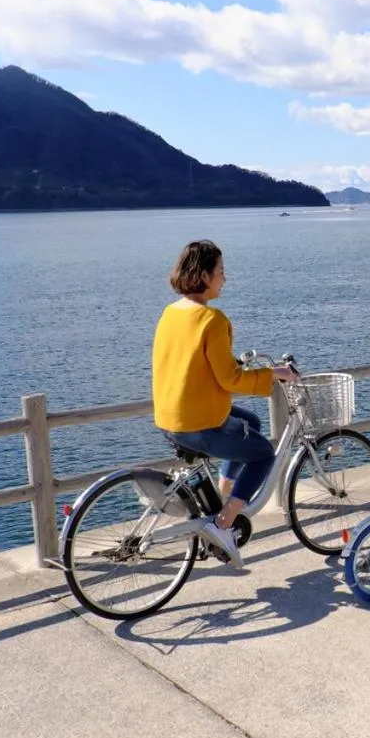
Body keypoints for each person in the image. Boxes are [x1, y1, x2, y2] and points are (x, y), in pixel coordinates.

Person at [151, 239, 297, 570]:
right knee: (263, 455)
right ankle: (224, 522)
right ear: (203, 275)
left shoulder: (172, 312)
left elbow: (200, 365)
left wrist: (243, 370)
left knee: (251, 423)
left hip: (169, 416)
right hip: (199, 423)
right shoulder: (213, 319)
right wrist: (274, 373)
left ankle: (224, 490)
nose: (224, 278)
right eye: (220, 271)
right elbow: (230, 379)